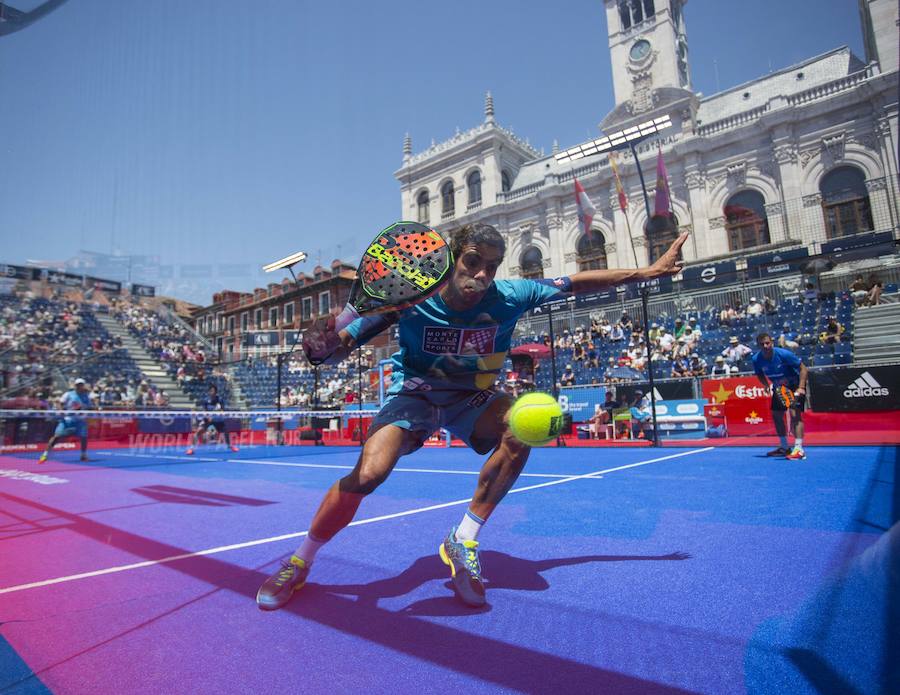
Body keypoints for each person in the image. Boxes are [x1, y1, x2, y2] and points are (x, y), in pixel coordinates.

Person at [255, 222, 688, 610]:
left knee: (522, 428)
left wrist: (646, 273)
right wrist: (320, 347)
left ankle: (463, 539)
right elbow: (338, 346)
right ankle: (300, 561)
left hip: (473, 398)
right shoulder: (410, 298)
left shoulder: (511, 296)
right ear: (450, 262)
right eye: (472, 262)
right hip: (415, 397)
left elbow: (576, 281)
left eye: (492, 266)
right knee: (368, 475)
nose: (481, 275)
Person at [752, 332, 808, 460]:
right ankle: (784, 447)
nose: (766, 346)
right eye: (762, 344)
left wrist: (801, 387)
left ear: (772, 342)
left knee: (795, 415)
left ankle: (799, 449)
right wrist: (766, 385)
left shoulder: (784, 354)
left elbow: (803, 369)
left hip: (794, 386)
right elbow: (759, 374)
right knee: (777, 415)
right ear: (758, 346)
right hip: (780, 388)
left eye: (767, 343)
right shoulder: (756, 359)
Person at [38, 378, 92, 463]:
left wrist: (84, 411)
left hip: (80, 421)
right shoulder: (68, 394)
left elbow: (89, 407)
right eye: (78, 385)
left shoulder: (86, 396)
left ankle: (83, 455)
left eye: (81, 385)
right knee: (56, 436)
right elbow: (60, 403)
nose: (79, 386)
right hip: (67, 419)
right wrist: (61, 411)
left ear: (83, 386)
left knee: (84, 437)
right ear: (75, 385)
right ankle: (45, 454)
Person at [186, 384, 239, 455]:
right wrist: (208, 417)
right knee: (198, 432)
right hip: (208, 421)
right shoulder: (206, 400)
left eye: (213, 391)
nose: (212, 392)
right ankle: (191, 448)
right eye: (210, 391)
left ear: (216, 392)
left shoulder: (220, 400)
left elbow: (223, 411)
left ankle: (230, 446)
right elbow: (204, 411)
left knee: (226, 432)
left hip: (218, 421)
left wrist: (218, 412)